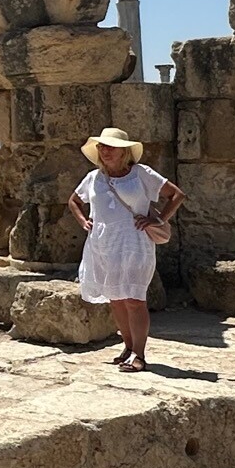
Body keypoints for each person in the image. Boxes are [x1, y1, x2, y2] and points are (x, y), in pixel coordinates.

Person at [66, 126, 183, 373]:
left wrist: (158, 220)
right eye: (102, 146)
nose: (105, 151)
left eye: (111, 147)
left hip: (133, 243)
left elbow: (176, 195)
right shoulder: (93, 177)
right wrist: (83, 221)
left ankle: (139, 354)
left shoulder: (141, 174)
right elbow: (74, 201)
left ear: (124, 151)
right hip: (102, 245)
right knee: (116, 299)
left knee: (134, 299)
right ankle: (128, 348)